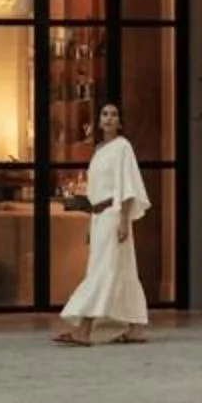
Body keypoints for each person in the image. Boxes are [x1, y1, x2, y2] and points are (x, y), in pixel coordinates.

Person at [54, 101, 151, 346]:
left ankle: (84, 329)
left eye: (114, 114)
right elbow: (95, 189)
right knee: (123, 270)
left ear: (120, 121)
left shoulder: (122, 147)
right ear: (98, 120)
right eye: (105, 114)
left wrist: (122, 221)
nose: (109, 118)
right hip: (99, 217)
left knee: (101, 271)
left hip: (114, 215)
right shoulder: (98, 150)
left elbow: (127, 185)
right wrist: (91, 221)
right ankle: (136, 328)